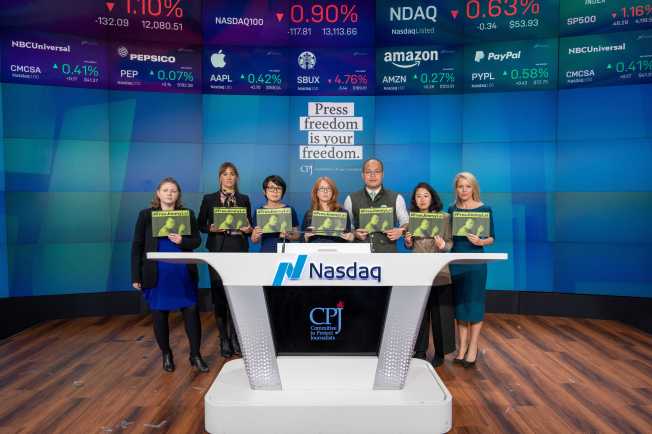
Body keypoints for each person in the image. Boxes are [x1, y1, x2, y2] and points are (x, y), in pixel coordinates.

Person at [131, 177, 209, 373]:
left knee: (191, 312)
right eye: (165, 190)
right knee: (159, 314)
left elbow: (196, 242)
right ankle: (166, 354)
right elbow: (137, 247)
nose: (169, 194)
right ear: (158, 193)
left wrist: (183, 240)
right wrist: (136, 276)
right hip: (157, 274)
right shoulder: (146, 215)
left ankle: (195, 355)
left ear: (178, 194)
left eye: (173, 190)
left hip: (182, 273)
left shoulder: (187, 214)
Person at [198, 162, 252, 358]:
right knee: (219, 295)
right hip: (217, 250)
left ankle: (237, 338)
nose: (228, 177)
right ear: (220, 177)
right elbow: (200, 224)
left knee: (238, 295)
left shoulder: (244, 199)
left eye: (232, 174)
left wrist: (248, 229)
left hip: (238, 249)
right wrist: (211, 228)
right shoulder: (209, 198)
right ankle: (224, 339)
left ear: (236, 178)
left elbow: (250, 226)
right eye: (225, 174)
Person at [404, 182, 455, 367]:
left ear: (432, 197)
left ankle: (441, 353)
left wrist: (444, 246)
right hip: (417, 270)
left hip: (440, 270)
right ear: (414, 200)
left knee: (440, 312)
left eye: (425, 195)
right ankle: (419, 351)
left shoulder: (445, 217)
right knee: (420, 312)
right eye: (418, 196)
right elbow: (408, 244)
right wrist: (408, 241)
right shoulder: (412, 218)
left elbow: (450, 244)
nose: (422, 199)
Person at [448, 172, 494, 368]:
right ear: (456, 189)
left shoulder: (485, 209)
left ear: (473, 188)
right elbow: (448, 237)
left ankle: (473, 348)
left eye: (467, 186)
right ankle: (461, 348)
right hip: (456, 261)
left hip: (476, 262)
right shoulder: (451, 210)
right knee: (460, 305)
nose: (464, 190)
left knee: (474, 303)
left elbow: (492, 237)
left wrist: (480, 241)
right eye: (460, 186)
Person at [343, 158, 409, 252]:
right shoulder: (350, 199)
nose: (372, 175)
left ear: (383, 174)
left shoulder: (397, 198)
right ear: (362, 175)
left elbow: (406, 223)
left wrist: (401, 231)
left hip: (388, 255)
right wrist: (354, 233)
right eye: (368, 172)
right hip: (360, 255)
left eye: (377, 172)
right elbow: (346, 227)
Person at [252, 175, 300, 252]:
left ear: (283, 191)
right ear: (264, 191)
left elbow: (297, 236)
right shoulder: (259, 211)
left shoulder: (289, 210)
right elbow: (254, 241)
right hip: (266, 251)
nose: (275, 191)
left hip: (286, 252)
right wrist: (256, 236)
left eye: (278, 188)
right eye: (271, 188)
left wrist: (288, 236)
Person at [302, 176, 353, 243]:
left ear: (333, 192)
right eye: (322, 188)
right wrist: (306, 237)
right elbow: (302, 240)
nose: (325, 191)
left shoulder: (343, 213)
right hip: (315, 251)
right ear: (316, 192)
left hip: (337, 251)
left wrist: (351, 237)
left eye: (328, 188)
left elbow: (348, 238)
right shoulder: (309, 214)